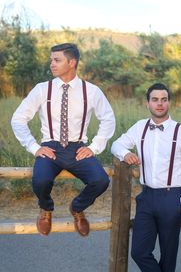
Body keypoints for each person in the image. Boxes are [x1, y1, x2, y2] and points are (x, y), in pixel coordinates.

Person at [111, 83, 181, 272]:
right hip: (147, 197)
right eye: (155, 99)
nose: (159, 103)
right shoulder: (140, 127)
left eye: (164, 99)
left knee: (168, 254)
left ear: (169, 102)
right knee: (140, 251)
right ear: (147, 103)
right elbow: (116, 144)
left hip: (173, 198)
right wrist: (124, 154)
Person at [11, 43, 115, 237]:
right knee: (40, 180)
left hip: (77, 148)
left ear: (72, 62)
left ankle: (77, 208)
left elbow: (108, 119)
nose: (52, 64)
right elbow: (18, 119)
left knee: (101, 180)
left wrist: (94, 147)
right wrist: (34, 147)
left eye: (57, 60)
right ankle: (46, 209)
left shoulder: (91, 91)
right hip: (50, 148)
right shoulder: (42, 89)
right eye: (51, 60)